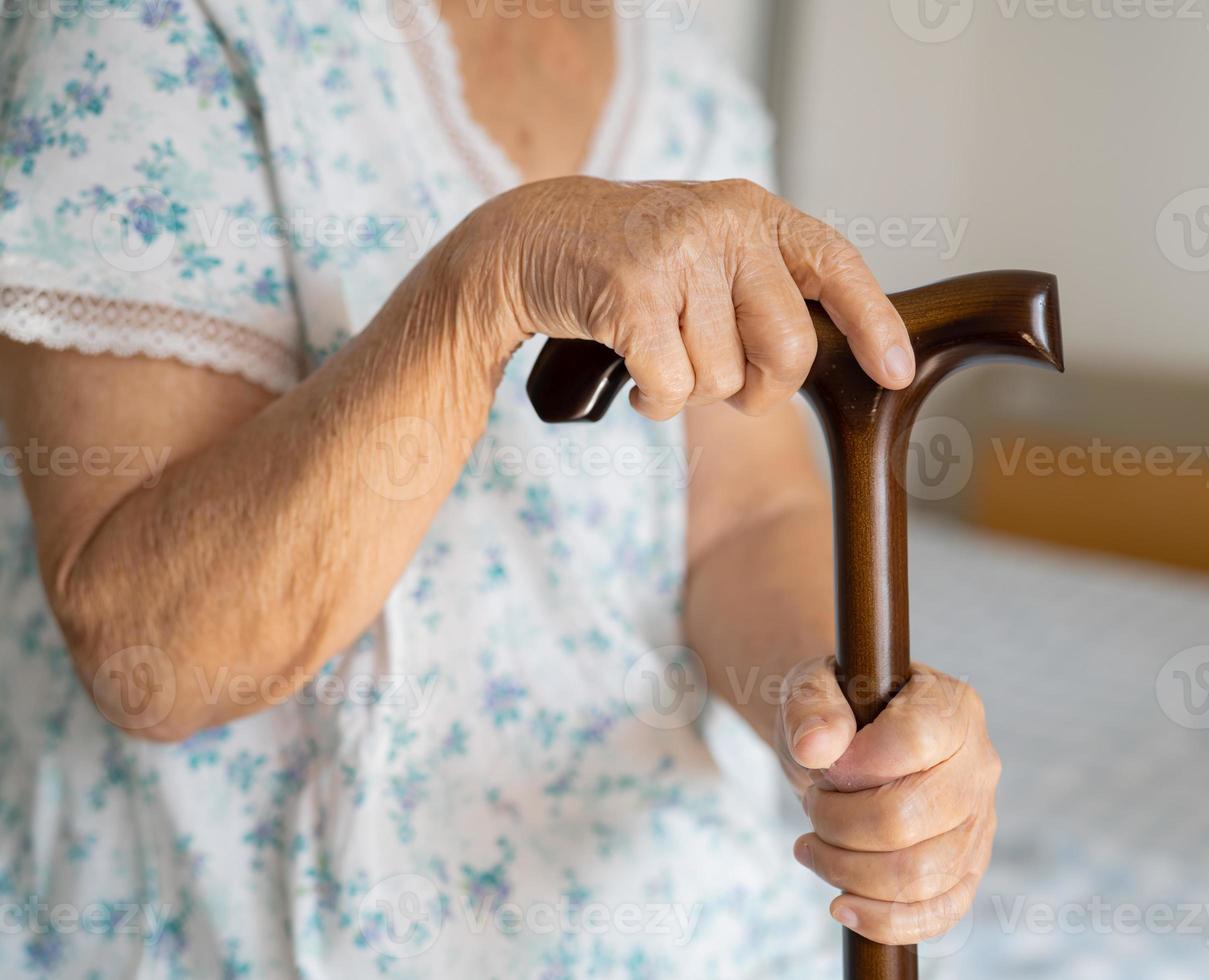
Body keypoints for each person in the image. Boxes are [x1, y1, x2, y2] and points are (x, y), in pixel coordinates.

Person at [0, 2, 999, 975]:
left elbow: (743, 515)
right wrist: (488, 277)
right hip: (242, 926)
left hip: (664, 915)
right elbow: (151, 648)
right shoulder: (150, 23)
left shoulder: (691, 92)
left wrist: (840, 727)